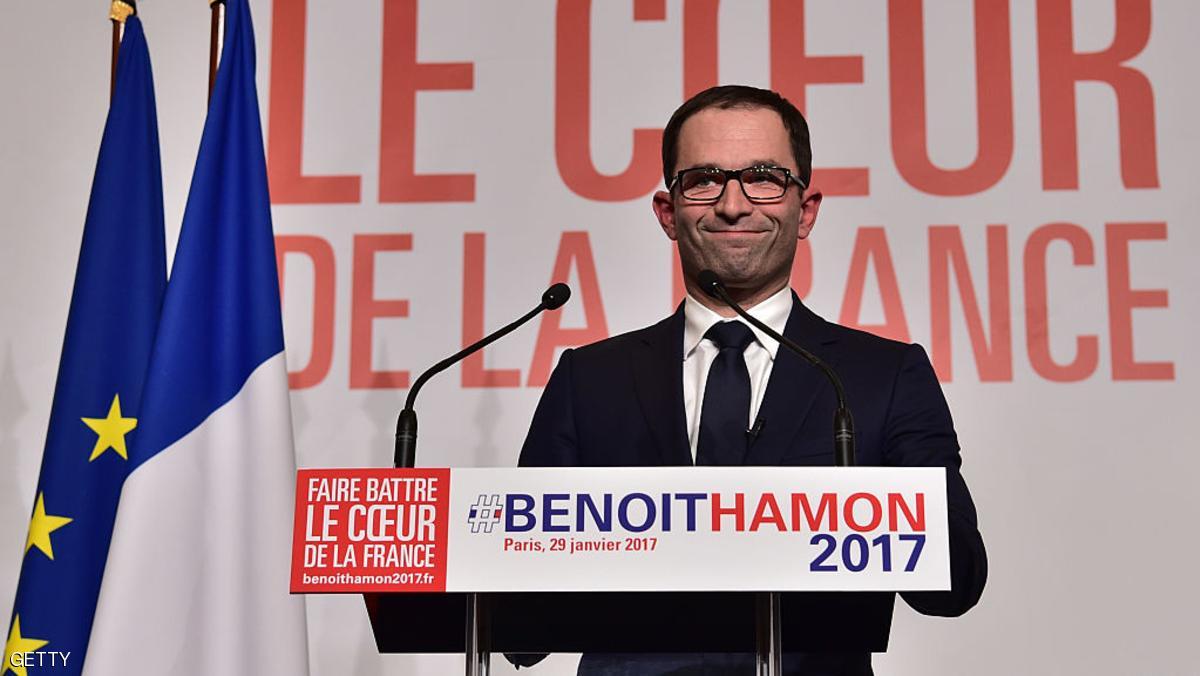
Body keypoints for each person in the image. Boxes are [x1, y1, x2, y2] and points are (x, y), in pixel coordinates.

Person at [512, 85, 987, 675]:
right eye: (704, 179)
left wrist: (858, 517)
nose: (733, 205)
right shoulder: (590, 381)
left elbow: (957, 583)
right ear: (667, 211)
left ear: (805, 209)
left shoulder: (881, 377)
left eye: (764, 177)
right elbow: (520, 621)